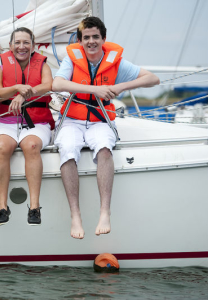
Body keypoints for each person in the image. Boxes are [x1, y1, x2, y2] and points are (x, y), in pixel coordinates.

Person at [52, 17, 159, 239]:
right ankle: (76, 215)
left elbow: (153, 79)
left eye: (96, 37)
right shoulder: (72, 60)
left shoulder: (116, 62)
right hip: (73, 119)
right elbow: (58, 84)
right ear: (80, 41)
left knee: (103, 148)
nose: (91, 42)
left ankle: (104, 212)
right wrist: (94, 90)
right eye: (87, 38)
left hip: (100, 119)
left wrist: (121, 85)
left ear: (103, 39)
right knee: (68, 150)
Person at [0, 27, 54, 226]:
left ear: (33, 46)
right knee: (1, 147)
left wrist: (24, 93)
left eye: (26, 42)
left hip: (36, 121)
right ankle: (3, 207)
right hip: (7, 122)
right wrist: (17, 87)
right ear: (10, 46)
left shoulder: (43, 66)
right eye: (17, 42)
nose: (22, 46)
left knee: (31, 146)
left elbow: (48, 85)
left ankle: (34, 207)